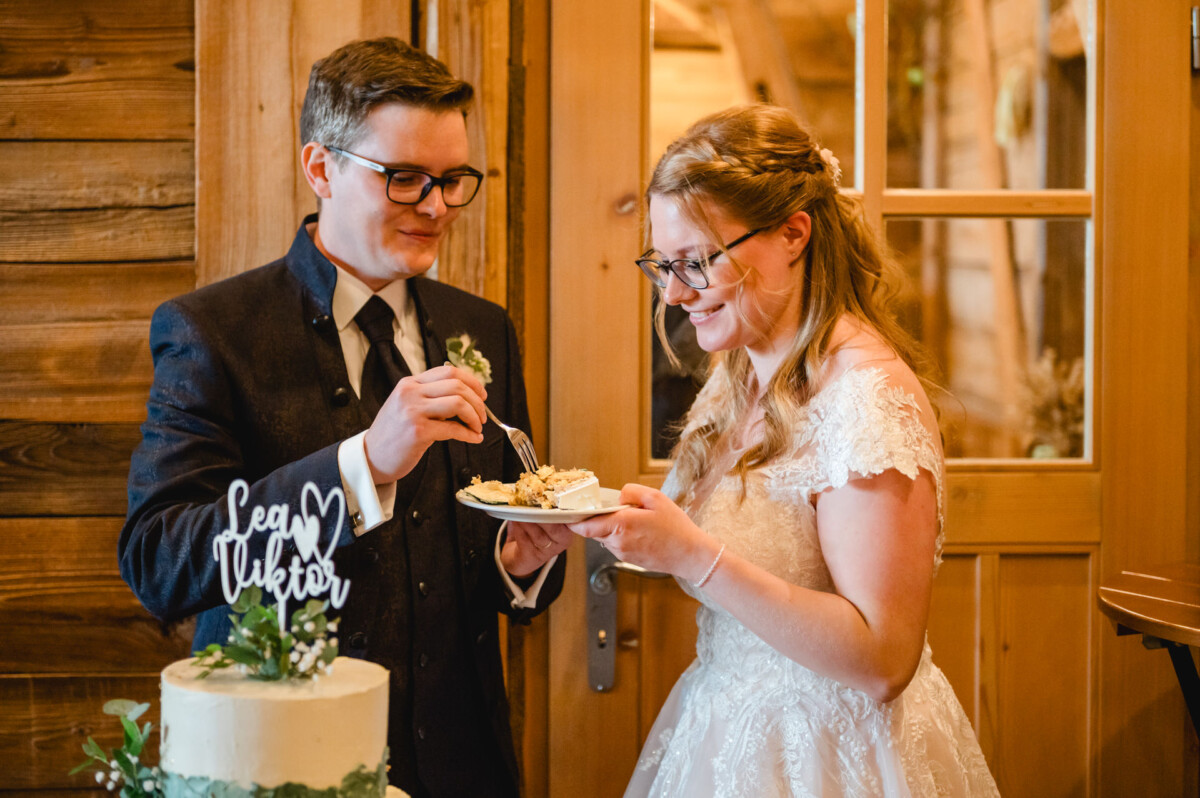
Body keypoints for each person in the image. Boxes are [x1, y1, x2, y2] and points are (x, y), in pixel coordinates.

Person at [118, 37, 571, 798]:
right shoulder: (213, 332)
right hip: (285, 770)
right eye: (403, 179)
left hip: (464, 768)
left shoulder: (483, 329)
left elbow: (490, 558)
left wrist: (517, 565)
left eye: (453, 179)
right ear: (321, 168)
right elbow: (160, 563)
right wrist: (360, 466)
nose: (435, 206)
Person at [520, 104, 1000, 796]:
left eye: (698, 261)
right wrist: (598, 526)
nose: (677, 292)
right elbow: (728, 548)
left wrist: (688, 552)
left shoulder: (865, 401)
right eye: (663, 263)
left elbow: (883, 661)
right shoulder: (740, 373)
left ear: (793, 234)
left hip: (836, 758)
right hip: (726, 735)